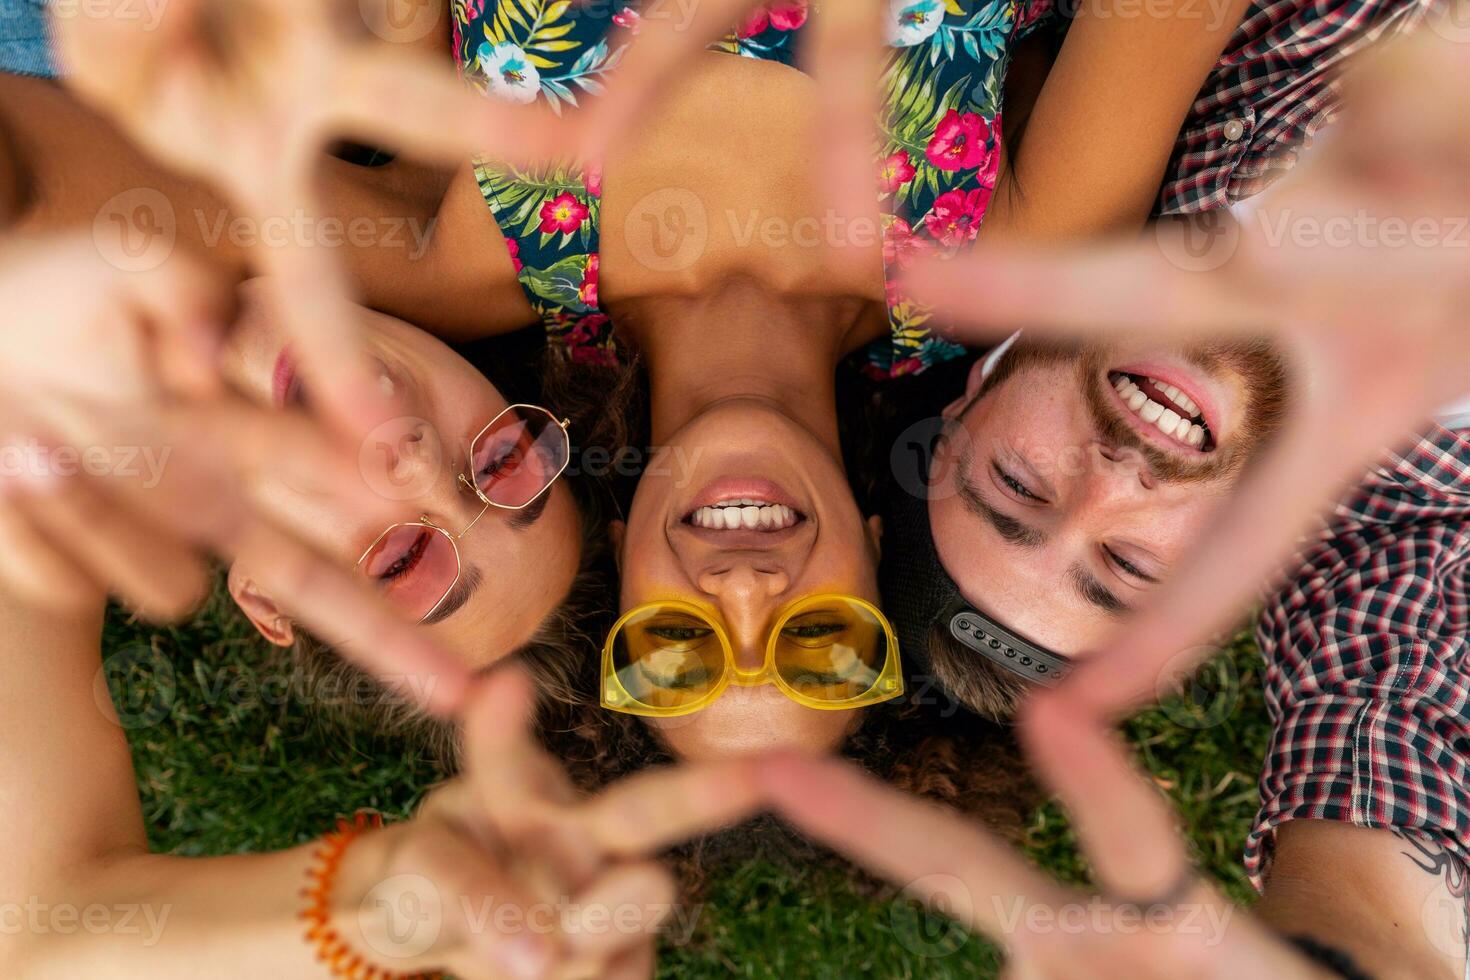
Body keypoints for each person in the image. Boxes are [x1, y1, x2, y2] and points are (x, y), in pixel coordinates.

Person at [872, 21, 1470, 978]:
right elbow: (1375, 839)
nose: (1112, 481)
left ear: (972, 394)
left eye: (1019, 485)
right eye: (1128, 565)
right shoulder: (1421, 539)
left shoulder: (1173, 110)